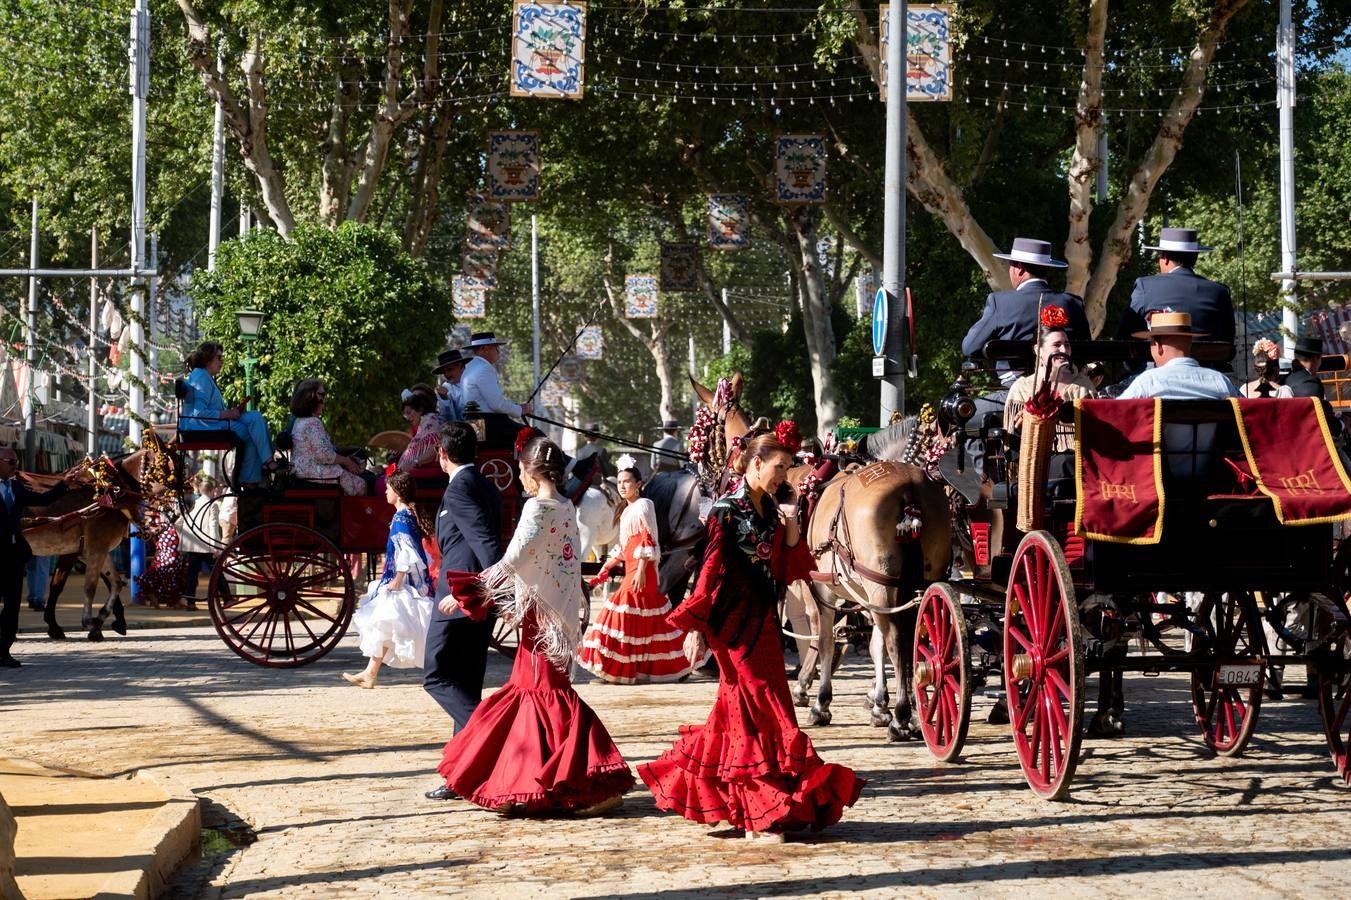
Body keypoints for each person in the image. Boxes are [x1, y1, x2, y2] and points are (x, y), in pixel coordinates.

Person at [639, 424, 864, 840]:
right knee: (761, 700)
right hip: (731, 624)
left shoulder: (768, 508)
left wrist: (793, 521)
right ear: (755, 463)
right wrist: (699, 630)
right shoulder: (725, 510)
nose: (784, 475)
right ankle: (761, 810)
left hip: (762, 619)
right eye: (779, 467)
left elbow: (783, 563)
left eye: (788, 468)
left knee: (748, 704)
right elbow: (709, 570)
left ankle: (747, 802)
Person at [435, 434, 634, 816]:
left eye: (522, 471)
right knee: (533, 694)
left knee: (546, 696)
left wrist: (467, 592)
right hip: (552, 615)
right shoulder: (563, 506)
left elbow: (512, 561)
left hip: (539, 619)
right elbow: (558, 563)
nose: (522, 479)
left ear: (529, 471)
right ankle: (521, 784)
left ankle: (589, 783)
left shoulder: (537, 509)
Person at [422, 421, 502, 801]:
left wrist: (477, 591)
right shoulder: (486, 485)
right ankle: (461, 776)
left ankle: (490, 735)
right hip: (474, 597)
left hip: (460, 600)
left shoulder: (461, 489)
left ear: (442, 454)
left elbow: (486, 546)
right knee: (466, 684)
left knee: (436, 676)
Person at [578, 464, 692, 684]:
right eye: (620, 482)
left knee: (620, 612)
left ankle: (615, 669)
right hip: (634, 566)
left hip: (642, 570)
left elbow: (647, 538)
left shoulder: (644, 505)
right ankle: (677, 662)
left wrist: (641, 570)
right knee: (649, 618)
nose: (622, 486)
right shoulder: (626, 509)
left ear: (638, 484)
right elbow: (625, 545)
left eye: (627, 481)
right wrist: (607, 565)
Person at [343, 473, 437, 688]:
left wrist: (399, 578)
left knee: (394, 622)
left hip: (402, 581)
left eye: (388, 489)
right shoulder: (405, 515)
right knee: (387, 624)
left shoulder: (402, 517)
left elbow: (407, 549)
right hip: (402, 578)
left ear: (398, 492)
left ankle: (371, 673)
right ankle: (370, 673)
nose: (385, 492)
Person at [961, 237, 1090, 385]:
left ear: (1019, 269)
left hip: (1014, 391)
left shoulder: (1000, 303)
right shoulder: (1072, 303)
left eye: (1010, 265)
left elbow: (970, 347)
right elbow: (1085, 352)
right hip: (1066, 386)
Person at [1, 446, 75, 668]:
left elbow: (43, 500)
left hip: (13, 555)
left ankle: (4, 650)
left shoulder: (15, 487)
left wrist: (65, 484)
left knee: (13, 605)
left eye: (17, 462)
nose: (16, 467)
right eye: (12, 462)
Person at [1115, 227, 1235, 363]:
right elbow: (1227, 344)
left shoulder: (1145, 286)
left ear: (1164, 258)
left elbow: (1123, 336)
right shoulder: (1218, 291)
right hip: (1208, 372)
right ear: (1194, 258)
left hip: (1153, 373)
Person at [180, 341, 273, 487]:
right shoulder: (201, 377)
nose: (221, 361)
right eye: (219, 357)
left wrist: (231, 412)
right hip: (202, 427)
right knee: (248, 430)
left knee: (255, 417)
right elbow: (199, 413)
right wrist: (227, 414)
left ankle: (264, 464)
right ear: (208, 358)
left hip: (210, 424)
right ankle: (252, 477)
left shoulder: (203, 376)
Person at [1004, 313, 1097, 453]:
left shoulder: (1083, 385)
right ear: (1038, 350)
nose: (1064, 350)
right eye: (1057, 345)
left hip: (1080, 462)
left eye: (1066, 344)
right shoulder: (1022, 388)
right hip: (1037, 462)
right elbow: (1013, 442)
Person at [1118, 312, 1239, 401]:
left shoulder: (1147, 382)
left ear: (1158, 345)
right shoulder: (1220, 381)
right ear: (1190, 343)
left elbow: (1115, 413)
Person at [288, 379, 370, 495]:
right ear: (310, 397)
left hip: (305, 472)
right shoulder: (312, 422)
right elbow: (325, 455)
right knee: (362, 484)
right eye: (321, 395)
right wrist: (347, 461)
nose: (324, 400)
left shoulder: (300, 421)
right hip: (312, 473)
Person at [460, 332, 532, 420]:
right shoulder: (484, 368)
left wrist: (514, 405)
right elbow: (496, 404)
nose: (498, 352)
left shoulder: (470, 366)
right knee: (533, 433)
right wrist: (520, 409)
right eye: (496, 348)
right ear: (485, 348)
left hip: (475, 420)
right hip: (488, 422)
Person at [179, 474, 222, 606]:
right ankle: (227, 597)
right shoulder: (212, 504)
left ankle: (190, 601)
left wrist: (182, 539)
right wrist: (216, 546)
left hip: (192, 544)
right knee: (217, 571)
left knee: (192, 573)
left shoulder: (193, 503)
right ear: (211, 491)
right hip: (206, 544)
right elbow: (213, 525)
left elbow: (180, 521)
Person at [396, 388, 444, 473]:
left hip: (425, 473)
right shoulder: (423, 424)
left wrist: (415, 462)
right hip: (419, 472)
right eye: (405, 414)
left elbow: (433, 449)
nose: (407, 417)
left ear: (420, 409)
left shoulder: (431, 421)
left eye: (409, 412)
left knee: (380, 483)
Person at [431, 349, 470, 422]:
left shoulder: (474, 380)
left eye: (450, 369)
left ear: (461, 366)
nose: (447, 375)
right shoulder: (446, 388)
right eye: (444, 372)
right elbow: (447, 420)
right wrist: (445, 400)